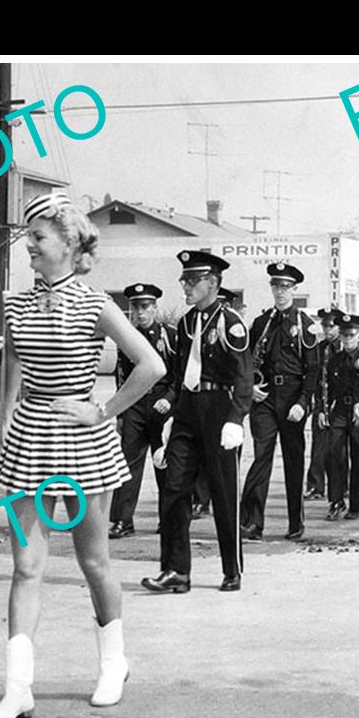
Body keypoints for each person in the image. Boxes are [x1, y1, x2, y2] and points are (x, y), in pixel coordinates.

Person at [0, 192, 166, 718]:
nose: (30, 248)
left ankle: (114, 664)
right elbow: (12, 358)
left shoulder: (95, 303)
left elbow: (150, 365)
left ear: (66, 242)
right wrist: (2, 419)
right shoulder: (15, 303)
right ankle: (18, 689)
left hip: (84, 441)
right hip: (28, 441)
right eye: (28, 240)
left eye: (37, 238)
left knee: (93, 564)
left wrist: (102, 411)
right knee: (25, 566)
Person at [142, 250, 251, 594]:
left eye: (192, 280)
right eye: (184, 280)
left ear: (212, 283)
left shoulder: (230, 322)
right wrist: (169, 420)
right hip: (188, 409)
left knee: (223, 494)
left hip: (219, 409)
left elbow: (244, 375)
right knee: (173, 489)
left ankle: (231, 569)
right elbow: (178, 376)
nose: (185, 286)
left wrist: (236, 418)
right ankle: (176, 571)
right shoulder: (188, 323)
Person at [239, 263, 321, 541]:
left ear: (294, 290)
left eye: (286, 287)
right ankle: (252, 522)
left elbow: (313, 370)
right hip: (264, 398)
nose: (280, 292)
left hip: (292, 400)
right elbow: (246, 360)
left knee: (294, 461)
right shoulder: (261, 323)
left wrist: (304, 402)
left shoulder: (305, 326)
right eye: (276, 286)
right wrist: (250, 387)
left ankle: (295, 523)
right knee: (261, 457)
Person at [109, 284, 178, 539]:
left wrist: (170, 400)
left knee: (165, 464)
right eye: (135, 307)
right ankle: (123, 521)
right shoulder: (128, 339)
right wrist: (120, 412)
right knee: (128, 464)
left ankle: (168, 520)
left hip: (162, 405)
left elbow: (179, 375)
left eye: (145, 306)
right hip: (136, 407)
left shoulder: (170, 336)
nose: (139, 312)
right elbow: (121, 377)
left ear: (155, 308)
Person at [319, 313, 359, 521]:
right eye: (344, 335)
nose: (347, 339)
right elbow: (325, 386)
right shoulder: (335, 359)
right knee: (334, 456)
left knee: (358, 457)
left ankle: (356, 505)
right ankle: (336, 500)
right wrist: (323, 410)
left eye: (351, 335)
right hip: (339, 410)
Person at [306, 307, 341, 499]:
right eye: (325, 326)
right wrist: (318, 405)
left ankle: (341, 485)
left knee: (339, 449)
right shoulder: (320, 349)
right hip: (323, 401)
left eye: (331, 326)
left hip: (342, 402)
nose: (327, 330)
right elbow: (315, 377)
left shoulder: (345, 347)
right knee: (318, 445)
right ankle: (315, 485)